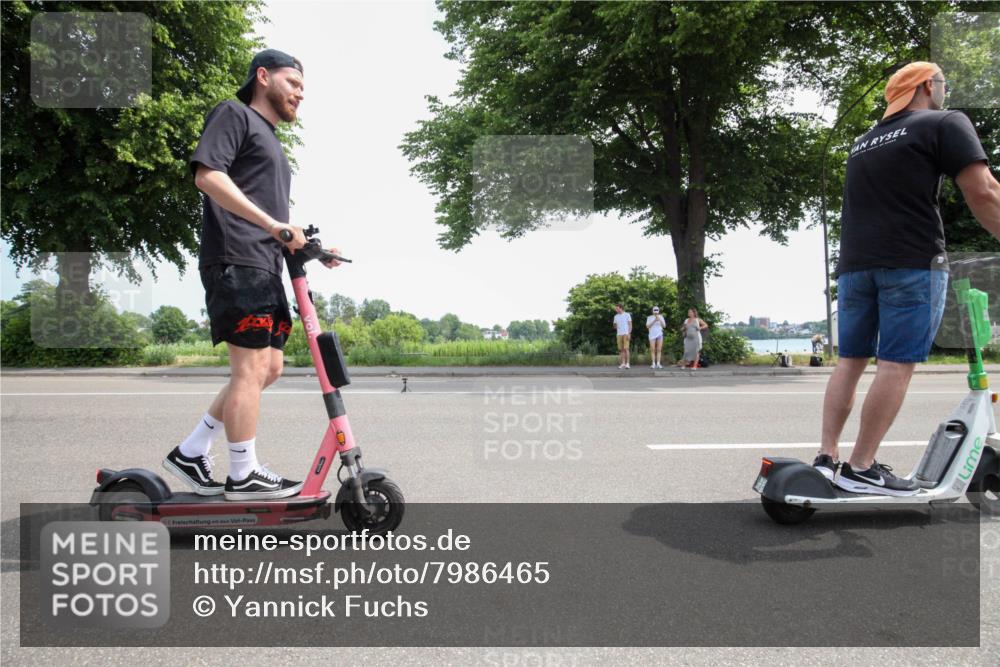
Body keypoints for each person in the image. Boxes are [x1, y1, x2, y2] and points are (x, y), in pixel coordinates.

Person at [163, 49, 342, 501]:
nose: (301, 94)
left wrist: (312, 248)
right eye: (293, 83)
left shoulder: (271, 140)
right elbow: (208, 176)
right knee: (250, 368)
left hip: (264, 262)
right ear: (263, 76)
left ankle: (192, 449)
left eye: (304, 88)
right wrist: (271, 225)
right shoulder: (235, 114)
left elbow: (271, 212)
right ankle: (242, 472)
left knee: (271, 367)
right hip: (236, 257)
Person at [816, 62, 1000, 496]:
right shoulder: (945, 122)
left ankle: (827, 459)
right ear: (925, 87)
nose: (945, 91)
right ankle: (861, 468)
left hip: (855, 267)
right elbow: (984, 191)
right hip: (911, 263)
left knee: (851, 362)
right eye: (942, 84)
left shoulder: (863, 143)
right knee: (896, 364)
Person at [613, 304, 632, 369]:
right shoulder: (615, 316)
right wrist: (615, 325)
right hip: (619, 334)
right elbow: (615, 326)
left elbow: (630, 325)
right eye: (616, 309)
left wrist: (629, 333)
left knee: (626, 349)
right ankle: (623, 363)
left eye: (617, 308)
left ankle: (628, 364)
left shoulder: (627, 315)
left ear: (621, 308)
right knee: (621, 349)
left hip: (626, 333)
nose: (616, 310)